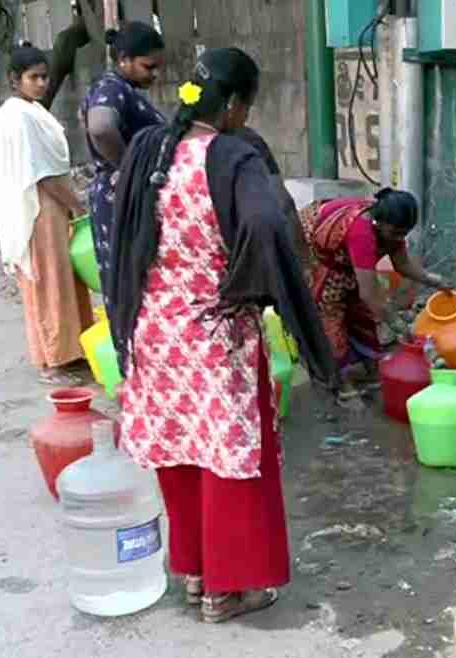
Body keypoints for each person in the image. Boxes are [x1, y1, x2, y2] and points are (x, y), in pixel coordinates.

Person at [108, 48, 339, 623]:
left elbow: (122, 227)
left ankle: (193, 573)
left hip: (155, 330)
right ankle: (229, 588)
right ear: (235, 104)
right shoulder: (233, 156)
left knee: (181, 450)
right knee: (231, 457)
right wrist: (251, 287)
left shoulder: (149, 148)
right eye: (248, 105)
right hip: (213, 331)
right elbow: (265, 223)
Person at [0, 44, 93, 383]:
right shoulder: (18, 115)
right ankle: (54, 360)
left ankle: (73, 350)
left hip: (52, 204)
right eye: (33, 77)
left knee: (65, 279)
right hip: (39, 206)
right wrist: (76, 205)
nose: (41, 83)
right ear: (14, 79)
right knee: (49, 280)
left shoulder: (30, 110)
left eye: (45, 77)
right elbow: (42, 174)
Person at [299, 189, 448, 402]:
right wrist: (396, 323)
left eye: (404, 234)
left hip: (347, 255)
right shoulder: (361, 232)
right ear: (379, 224)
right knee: (329, 313)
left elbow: (402, 264)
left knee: (361, 311)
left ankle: (371, 366)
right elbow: (369, 294)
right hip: (317, 252)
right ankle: (339, 381)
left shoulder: (390, 227)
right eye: (396, 233)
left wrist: (435, 281)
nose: (400, 239)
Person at [81, 21, 166, 313]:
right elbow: (101, 127)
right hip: (121, 196)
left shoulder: (123, 90)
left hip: (123, 194)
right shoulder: (110, 88)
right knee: (131, 281)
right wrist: (131, 170)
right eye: (148, 66)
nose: (155, 74)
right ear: (123, 60)